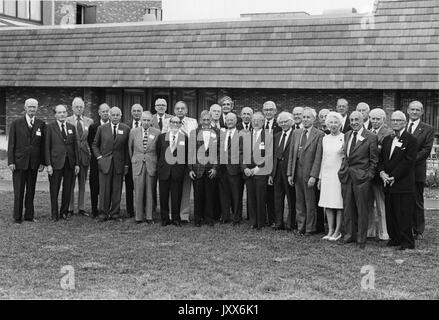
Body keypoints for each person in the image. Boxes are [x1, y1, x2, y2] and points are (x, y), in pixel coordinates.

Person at [338, 111, 378, 249]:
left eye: (357, 120)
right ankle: (349, 235)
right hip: (347, 177)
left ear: (362, 121)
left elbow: (374, 160)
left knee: (362, 209)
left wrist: (369, 176)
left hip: (362, 178)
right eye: (352, 119)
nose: (354, 122)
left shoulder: (371, 137)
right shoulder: (347, 134)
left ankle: (361, 238)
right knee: (348, 207)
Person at [379, 111, 418, 250]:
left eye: (398, 120)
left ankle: (406, 241)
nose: (395, 122)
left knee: (404, 213)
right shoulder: (387, 139)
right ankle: (394, 238)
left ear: (404, 122)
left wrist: (393, 176)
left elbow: (408, 162)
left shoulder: (411, 140)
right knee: (391, 212)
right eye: (393, 120)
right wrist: (382, 173)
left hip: (402, 183)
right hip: (387, 182)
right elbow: (381, 159)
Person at [7, 98, 45, 223]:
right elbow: (11, 144)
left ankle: (29, 215)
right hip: (19, 163)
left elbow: (42, 145)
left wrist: (42, 162)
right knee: (19, 191)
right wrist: (11, 161)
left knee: (31, 191)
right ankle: (17, 217)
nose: (32, 109)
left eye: (34, 107)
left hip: (34, 163)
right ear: (25, 108)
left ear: (37, 108)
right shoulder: (16, 123)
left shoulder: (41, 124)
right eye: (30, 106)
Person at [287, 107, 324, 235]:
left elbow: (318, 158)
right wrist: (290, 174)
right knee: (299, 201)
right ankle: (300, 227)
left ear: (314, 119)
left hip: (309, 173)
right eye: (304, 117)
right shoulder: (296, 133)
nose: (305, 119)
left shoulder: (319, 134)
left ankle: (310, 228)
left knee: (310, 202)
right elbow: (292, 155)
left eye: (308, 117)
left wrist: (314, 176)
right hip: (297, 171)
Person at [92, 107, 130, 221]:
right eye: (113, 115)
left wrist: (126, 164)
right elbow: (94, 144)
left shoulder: (126, 129)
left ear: (121, 116)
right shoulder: (101, 128)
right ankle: (103, 213)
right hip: (105, 164)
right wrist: (99, 157)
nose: (115, 117)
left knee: (117, 189)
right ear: (109, 116)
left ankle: (115, 213)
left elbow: (127, 149)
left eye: (117, 115)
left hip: (119, 164)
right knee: (104, 190)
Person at [163, 101, 198, 222]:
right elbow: (164, 139)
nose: (180, 110)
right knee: (172, 188)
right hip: (171, 158)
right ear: (174, 110)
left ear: (186, 110)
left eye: (182, 108)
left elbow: (193, 140)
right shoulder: (168, 121)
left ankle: (184, 215)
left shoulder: (193, 122)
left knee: (185, 188)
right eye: (177, 108)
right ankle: (172, 213)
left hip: (187, 159)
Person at [45, 105, 79, 221]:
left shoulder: (71, 127)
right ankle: (54, 214)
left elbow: (75, 147)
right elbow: (46, 147)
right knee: (54, 189)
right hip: (55, 163)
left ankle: (64, 212)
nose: (62, 114)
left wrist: (77, 164)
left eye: (64, 112)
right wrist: (48, 164)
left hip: (69, 163)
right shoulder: (49, 128)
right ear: (55, 115)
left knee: (67, 189)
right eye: (59, 112)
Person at [406, 101, 434, 240]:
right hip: (402, 172)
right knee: (404, 200)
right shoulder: (402, 125)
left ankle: (418, 230)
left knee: (417, 200)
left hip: (416, 170)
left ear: (422, 112)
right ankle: (405, 226)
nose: (414, 112)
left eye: (417, 110)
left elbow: (426, 150)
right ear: (408, 111)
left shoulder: (428, 129)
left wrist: (409, 160)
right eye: (412, 109)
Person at [128, 111, 161, 224]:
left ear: (152, 121)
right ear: (141, 120)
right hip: (138, 164)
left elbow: (158, 149)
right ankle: (138, 216)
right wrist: (134, 159)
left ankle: (149, 216)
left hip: (151, 163)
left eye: (148, 120)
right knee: (138, 190)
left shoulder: (157, 132)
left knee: (150, 190)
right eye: (144, 120)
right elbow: (130, 148)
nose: (146, 122)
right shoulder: (133, 132)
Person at [242, 112, 273, 230]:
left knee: (260, 197)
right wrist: (245, 168)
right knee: (251, 197)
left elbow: (268, 155)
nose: (255, 122)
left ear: (263, 122)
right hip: (248, 172)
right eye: (253, 120)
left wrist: (256, 168)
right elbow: (241, 154)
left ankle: (261, 222)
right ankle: (253, 221)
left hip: (261, 171)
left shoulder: (268, 136)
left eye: (258, 120)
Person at [189, 111, 220, 227]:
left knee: (210, 195)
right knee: (198, 195)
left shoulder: (217, 132)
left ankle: (209, 218)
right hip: (197, 169)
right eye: (204, 120)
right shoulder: (194, 132)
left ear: (211, 119)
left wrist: (215, 168)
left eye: (208, 120)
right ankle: (198, 219)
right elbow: (190, 152)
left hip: (211, 168)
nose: (206, 122)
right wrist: (190, 169)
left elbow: (219, 152)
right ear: (200, 120)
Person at [156, 116, 188, 227]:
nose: (175, 124)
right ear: (169, 124)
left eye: (177, 122)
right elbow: (158, 153)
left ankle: (176, 218)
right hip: (164, 171)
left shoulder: (185, 138)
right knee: (163, 196)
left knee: (176, 196)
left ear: (180, 124)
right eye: (173, 122)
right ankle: (164, 219)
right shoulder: (161, 137)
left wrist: (182, 169)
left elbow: (186, 156)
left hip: (177, 171)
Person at [318, 112, 345, 241]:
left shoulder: (345, 137)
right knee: (328, 203)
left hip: (339, 175)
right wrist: (320, 177)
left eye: (336, 122)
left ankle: (338, 231)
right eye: (331, 123)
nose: (333, 125)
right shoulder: (325, 138)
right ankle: (330, 230)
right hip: (327, 174)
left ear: (340, 124)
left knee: (338, 203)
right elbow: (323, 158)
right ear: (327, 124)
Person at [367, 108, 392, 240]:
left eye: (378, 119)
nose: (375, 121)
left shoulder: (388, 134)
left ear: (383, 119)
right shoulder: (368, 132)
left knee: (381, 205)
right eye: (373, 118)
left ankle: (384, 232)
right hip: (368, 175)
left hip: (380, 175)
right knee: (368, 205)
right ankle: (370, 231)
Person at [66, 97, 94, 217]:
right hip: (72, 156)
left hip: (84, 156)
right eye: (77, 107)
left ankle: (81, 208)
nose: (79, 109)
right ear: (72, 108)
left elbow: (91, 140)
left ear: (84, 108)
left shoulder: (90, 121)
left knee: (83, 182)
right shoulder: (67, 120)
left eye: (81, 107)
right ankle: (70, 208)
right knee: (70, 183)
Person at [269, 111, 295, 231]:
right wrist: (271, 173)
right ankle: (279, 223)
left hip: (289, 171)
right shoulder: (276, 136)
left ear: (291, 122)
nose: (284, 124)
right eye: (281, 122)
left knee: (291, 198)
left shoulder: (296, 135)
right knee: (277, 197)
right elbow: (273, 155)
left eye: (286, 121)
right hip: (277, 171)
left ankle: (291, 223)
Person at [218, 113, 244, 224]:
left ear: (236, 121)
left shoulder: (241, 135)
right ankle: (225, 216)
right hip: (222, 169)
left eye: (232, 119)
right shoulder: (222, 134)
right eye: (228, 120)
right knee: (224, 194)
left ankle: (237, 218)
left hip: (235, 169)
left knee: (236, 195)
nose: (229, 121)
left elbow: (242, 152)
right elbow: (218, 150)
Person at [87, 103, 110, 218]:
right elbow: (91, 143)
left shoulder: (112, 126)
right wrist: (99, 156)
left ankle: (106, 209)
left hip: (109, 160)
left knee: (107, 186)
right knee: (94, 185)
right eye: (103, 111)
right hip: (96, 160)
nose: (105, 113)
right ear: (99, 113)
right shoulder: (93, 127)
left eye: (107, 111)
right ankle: (94, 210)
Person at [124, 103, 143, 218]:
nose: (136, 113)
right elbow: (126, 146)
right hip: (130, 161)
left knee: (141, 187)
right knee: (129, 187)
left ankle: (142, 209)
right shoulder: (126, 126)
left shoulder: (147, 124)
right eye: (134, 111)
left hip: (142, 162)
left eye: (138, 111)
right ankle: (130, 210)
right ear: (131, 112)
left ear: (141, 112)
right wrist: (127, 162)